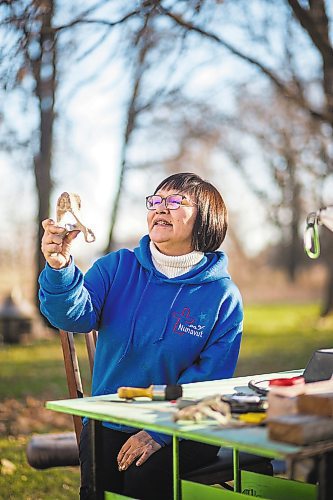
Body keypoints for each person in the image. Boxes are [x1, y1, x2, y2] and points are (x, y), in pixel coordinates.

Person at [39, 172, 243, 500]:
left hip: (185, 424)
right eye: (156, 200)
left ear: (206, 219)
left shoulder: (221, 295)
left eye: (176, 201)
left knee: (142, 480)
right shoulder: (117, 266)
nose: (161, 208)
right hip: (111, 414)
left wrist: (160, 433)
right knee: (98, 489)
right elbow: (72, 317)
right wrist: (60, 267)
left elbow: (210, 378)